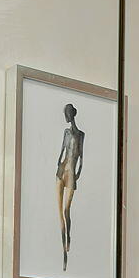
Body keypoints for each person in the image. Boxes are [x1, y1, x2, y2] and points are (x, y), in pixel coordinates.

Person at [54, 102, 86, 265]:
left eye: (67, 113)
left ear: (71, 114)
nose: (66, 117)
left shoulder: (81, 135)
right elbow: (61, 152)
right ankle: (63, 249)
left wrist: (79, 173)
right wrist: (58, 166)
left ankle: (69, 238)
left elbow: (81, 158)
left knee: (67, 210)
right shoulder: (66, 132)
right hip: (62, 170)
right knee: (60, 211)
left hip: (72, 172)